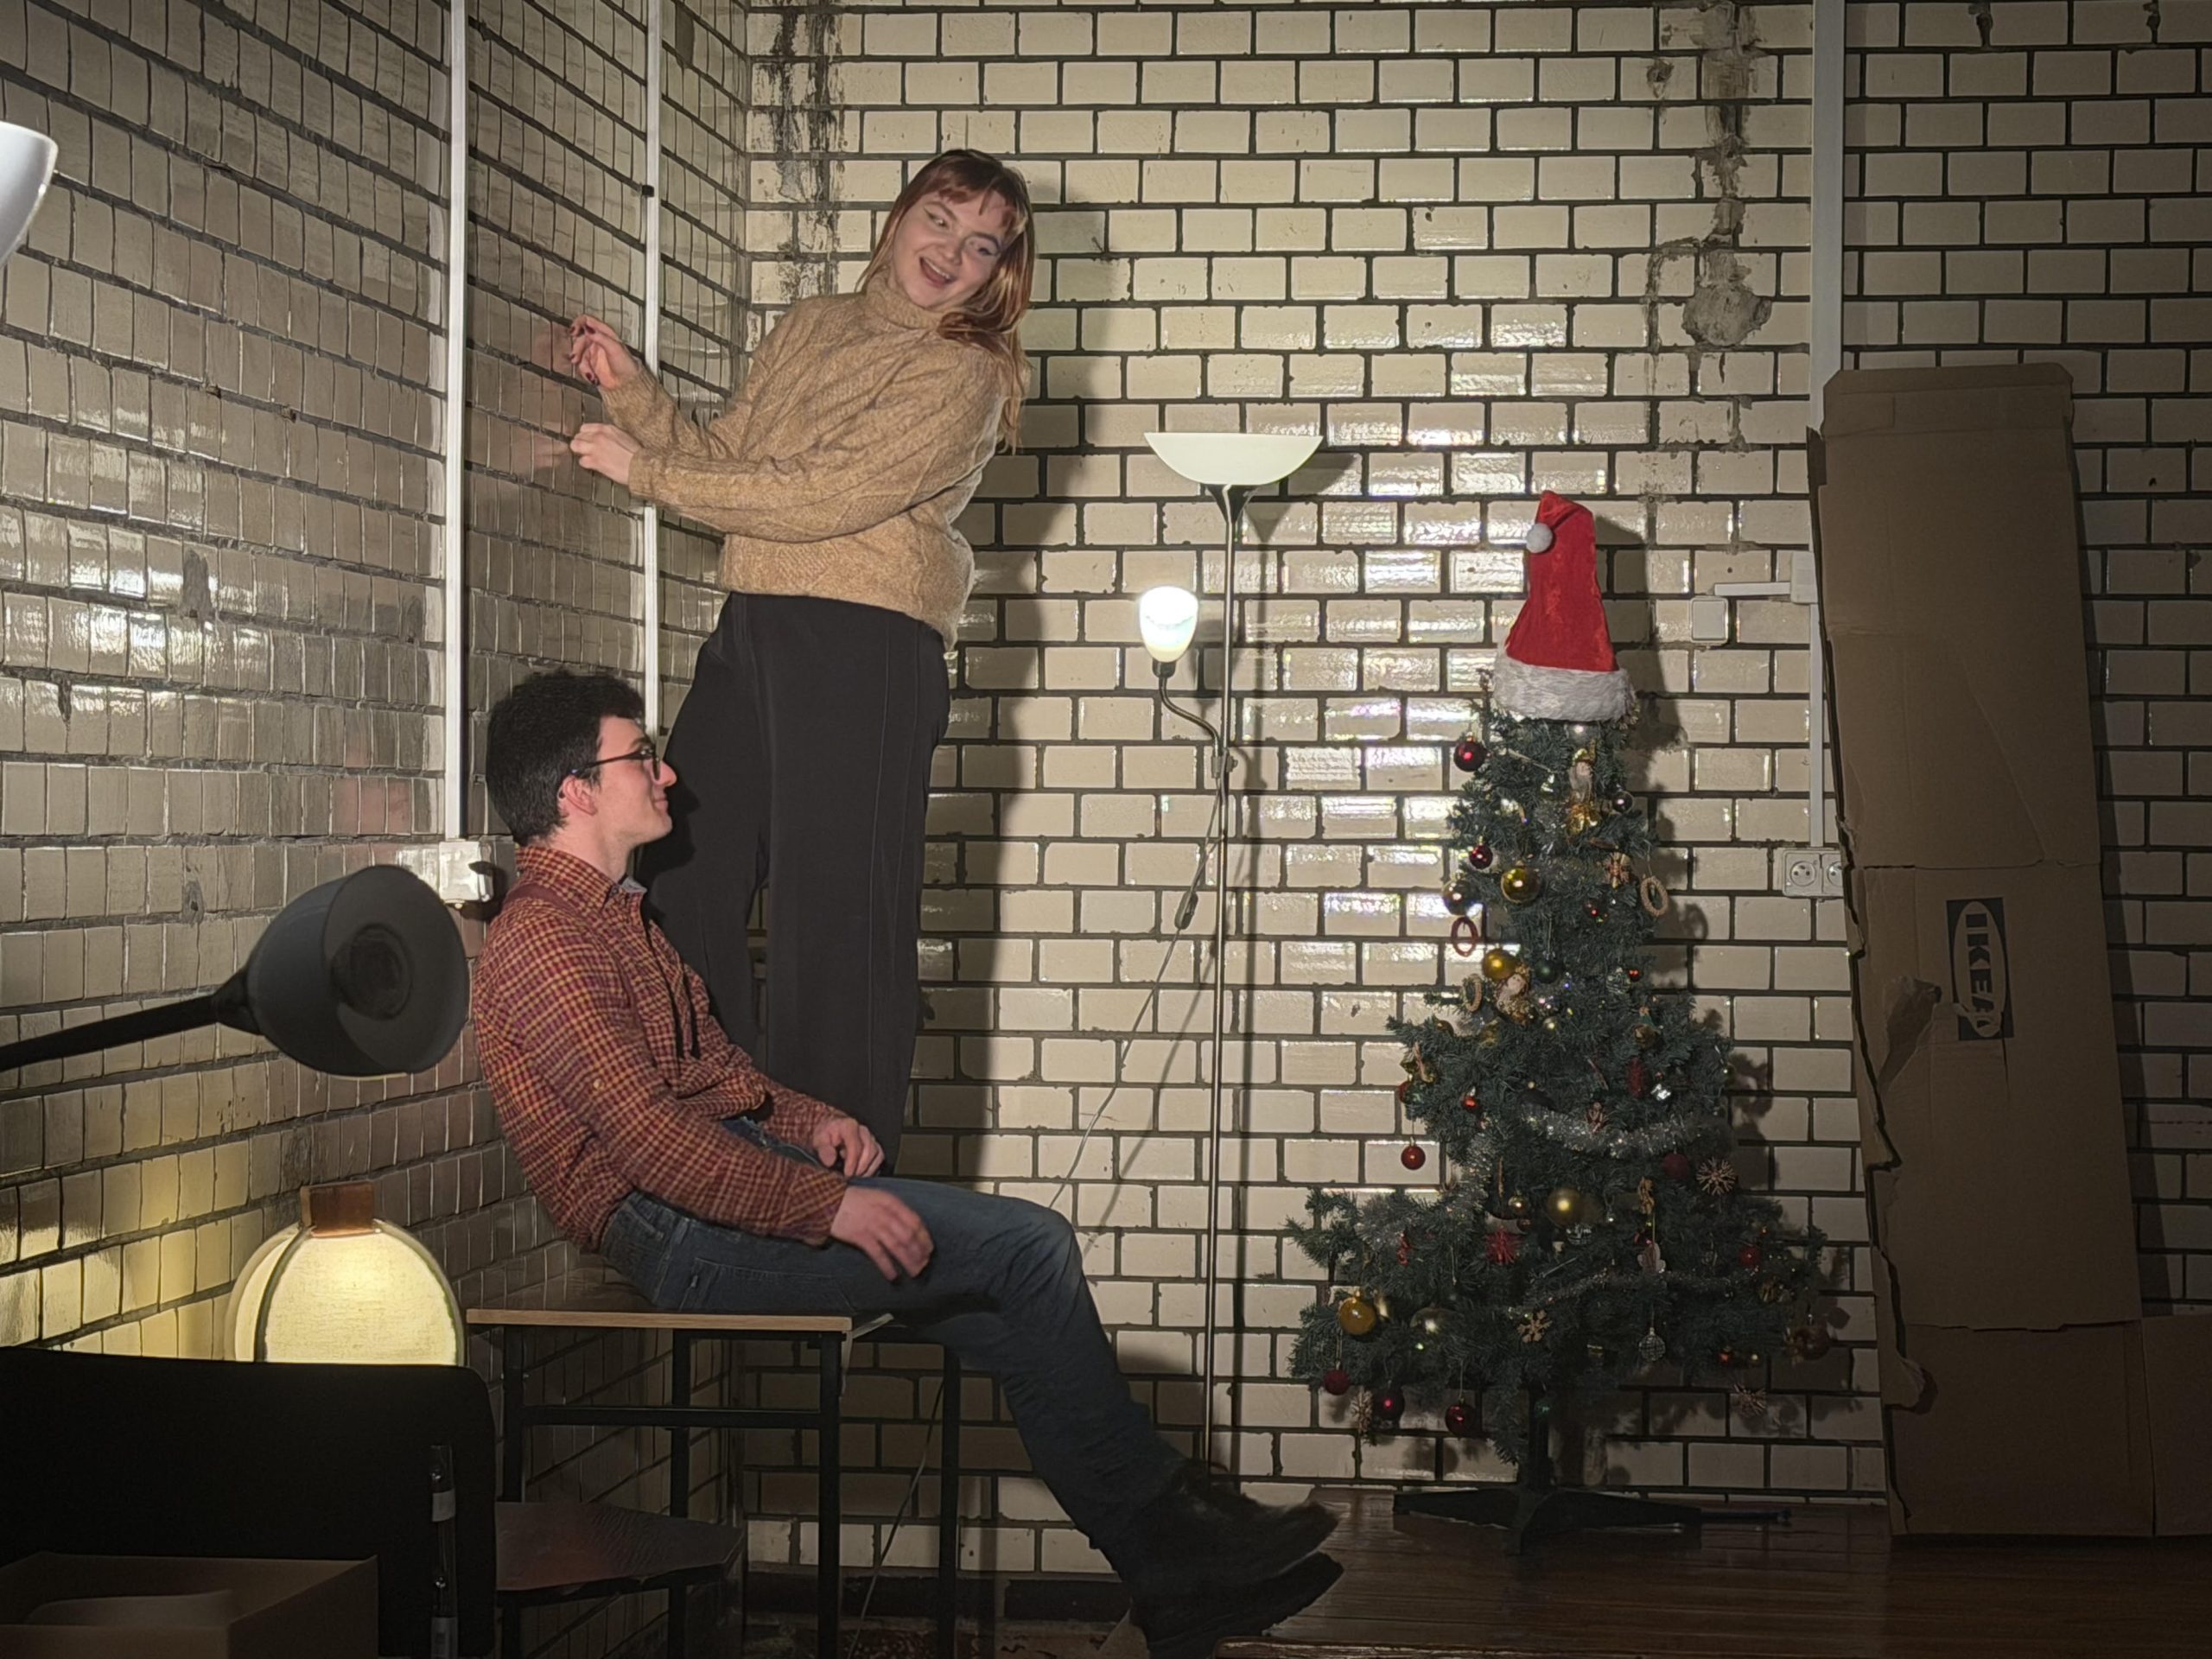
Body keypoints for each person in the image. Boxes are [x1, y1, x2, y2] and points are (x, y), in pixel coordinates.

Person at [473, 671, 1342, 1659]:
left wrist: (814, 1122)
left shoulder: (614, 919)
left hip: (712, 1198)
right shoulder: (543, 940)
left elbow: (714, 1076)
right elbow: (650, 1140)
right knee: (1031, 1249)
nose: (665, 773)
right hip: (676, 1235)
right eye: (641, 756)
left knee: (1013, 1317)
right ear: (576, 792)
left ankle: (1172, 1579)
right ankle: (1180, 1534)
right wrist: (828, 1205)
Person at [563, 149, 1033, 1172]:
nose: (950, 253)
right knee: (682, 875)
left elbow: (825, 493)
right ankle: (732, 1126)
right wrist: (635, 395)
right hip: (758, 621)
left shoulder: (965, 372)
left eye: (980, 245)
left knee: (835, 919)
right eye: (940, 220)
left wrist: (645, 472)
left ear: (998, 272)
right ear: (901, 217)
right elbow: (737, 462)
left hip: (865, 640)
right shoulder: (815, 324)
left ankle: (838, 1181)